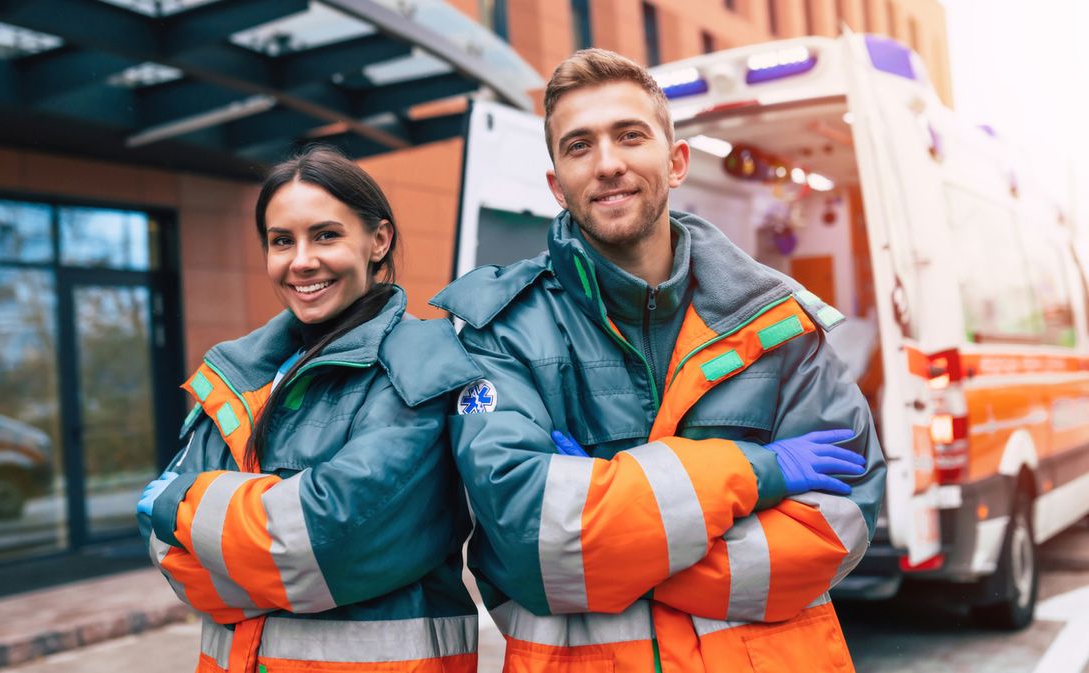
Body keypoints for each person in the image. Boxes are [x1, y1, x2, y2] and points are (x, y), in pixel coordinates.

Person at [431, 49, 886, 673]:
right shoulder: (499, 330)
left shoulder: (776, 322)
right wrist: (756, 473)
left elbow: (840, 525)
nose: (608, 163)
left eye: (629, 135)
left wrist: (609, 528)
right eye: (579, 146)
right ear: (556, 183)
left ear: (675, 162)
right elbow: (530, 547)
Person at [137, 146, 482, 673]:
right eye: (281, 241)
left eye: (326, 235)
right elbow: (169, 557)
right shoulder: (238, 373)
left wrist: (181, 505)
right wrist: (263, 546)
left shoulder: (420, 366)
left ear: (378, 240)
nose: (301, 261)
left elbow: (329, 540)